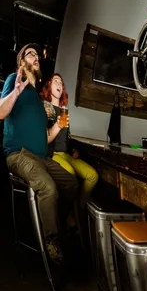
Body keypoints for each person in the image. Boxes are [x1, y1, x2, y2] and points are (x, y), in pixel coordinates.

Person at [1, 44, 78, 263]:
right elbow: (0, 111)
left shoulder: (36, 98)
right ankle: (52, 239)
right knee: (48, 188)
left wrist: (57, 128)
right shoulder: (12, 82)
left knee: (71, 183)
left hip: (42, 158)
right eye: (30, 54)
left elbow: (44, 137)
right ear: (21, 62)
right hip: (19, 154)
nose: (36, 57)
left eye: (37, 54)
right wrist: (14, 93)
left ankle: (56, 222)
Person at [41, 73, 98, 207]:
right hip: (52, 154)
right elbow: (43, 134)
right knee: (70, 175)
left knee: (92, 175)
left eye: (61, 83)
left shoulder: (64, 111)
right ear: (49, 85)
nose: (59, 84)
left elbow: (66, 136)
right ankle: (69, 214)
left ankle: (78, 208)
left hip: (65, 154)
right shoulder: (45, 107)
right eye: (56, 81)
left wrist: (73, 149)